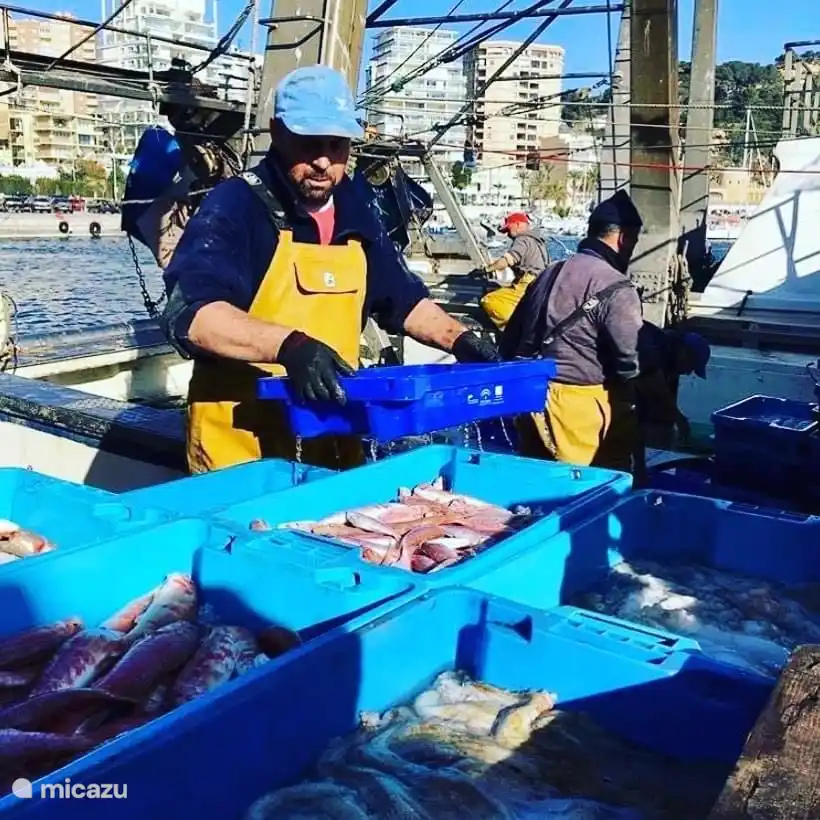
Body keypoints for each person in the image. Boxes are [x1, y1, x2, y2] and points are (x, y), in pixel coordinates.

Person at [161, 65, 498, 475]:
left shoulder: (355, 208)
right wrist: (290, 347)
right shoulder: (235, 205)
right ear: (277, 132)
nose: (323, 161)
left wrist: (459, 339)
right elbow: (195, 316)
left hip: (330, 432)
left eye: (336, 146)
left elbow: (402, 299)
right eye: (309, 144)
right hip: (242, 445)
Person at [499, 190, 644, 472]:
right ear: (624, 239)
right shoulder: (617, 287)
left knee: (536, 484)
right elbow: (631, 360)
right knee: (589, 489)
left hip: (531, 400)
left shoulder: (548, 273)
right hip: (582, 411)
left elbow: (511, 339)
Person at [634, 321, 711, 449]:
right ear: (685, 352)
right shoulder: (654, 348)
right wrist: (679, 419)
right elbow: (654, 385)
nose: (687, 372)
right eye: (690, 366)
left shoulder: (667, 352)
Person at [477, 212, 550, 331]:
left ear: (518, 224)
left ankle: (514, 328)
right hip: (541, 284)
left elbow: (508, 260)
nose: (508, 235)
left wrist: (486, 269)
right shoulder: (538, 242)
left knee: (489, 300)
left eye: (508, 230)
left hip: (527, 285)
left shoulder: (522, 239)